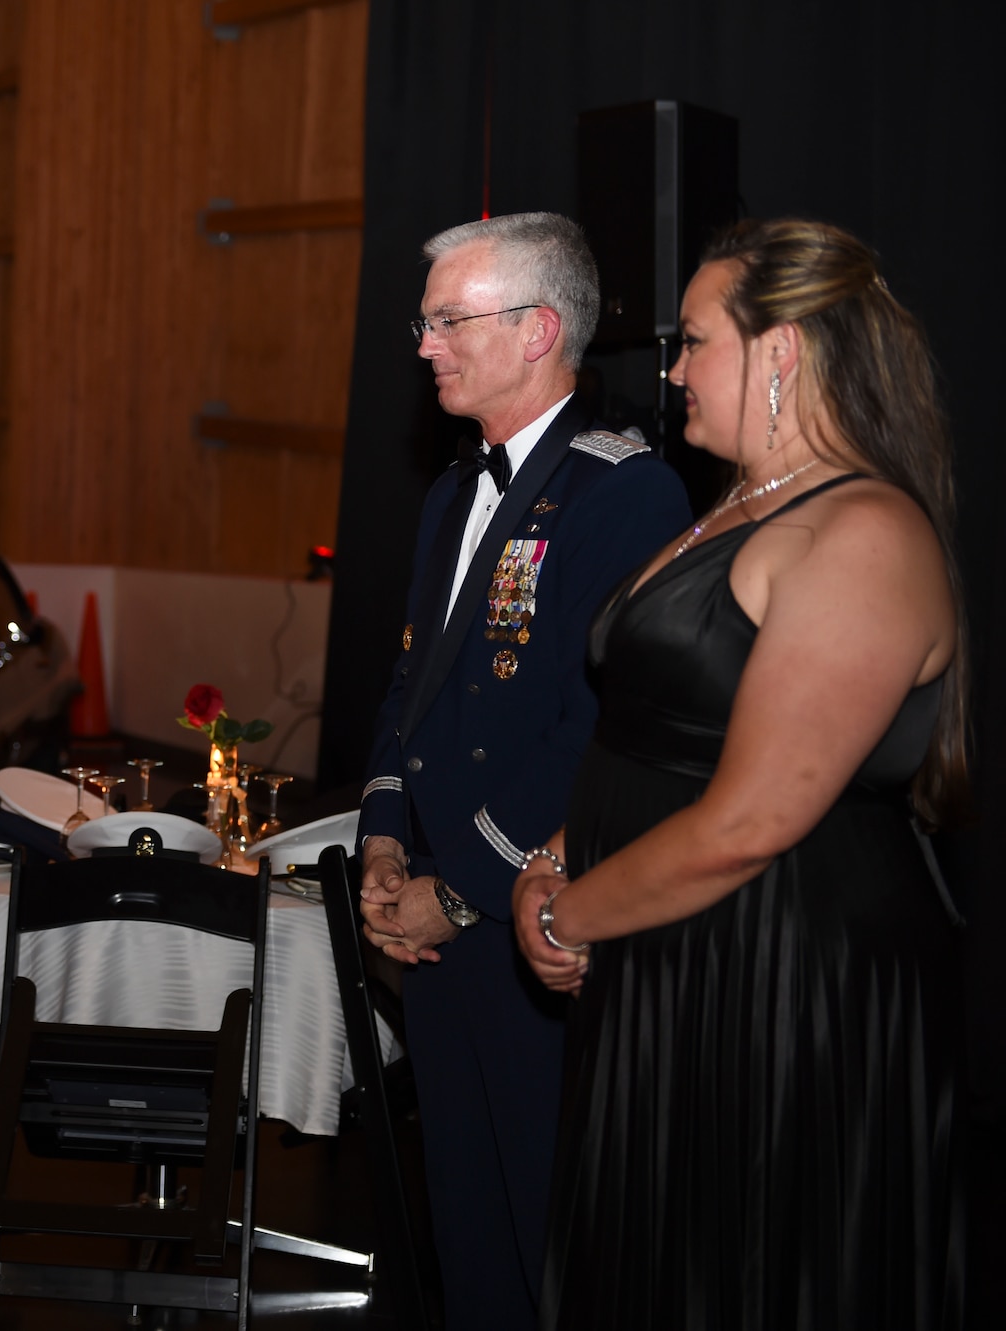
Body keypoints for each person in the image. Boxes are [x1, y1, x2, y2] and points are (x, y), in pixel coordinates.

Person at [513, 218, 965, 1329]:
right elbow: (655, 733)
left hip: (775, 977)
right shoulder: (734, 507)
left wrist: (569, 915)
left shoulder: (861, 528)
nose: (667, 370)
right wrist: (548, 859)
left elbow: (752, 817)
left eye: (692, 339)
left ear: (781, 352)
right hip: (672, 952)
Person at [354, 212, 690, 1330]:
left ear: (538, 329)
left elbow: (594, 727)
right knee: (466, 1235)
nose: (422, 344)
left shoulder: (623, 491)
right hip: (439, 921)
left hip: (533, 924)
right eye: (425, 319)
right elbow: (413, 690)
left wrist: (454, 890)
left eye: (447, 320)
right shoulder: (453, 492)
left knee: (552, 1239)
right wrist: (386, 841)